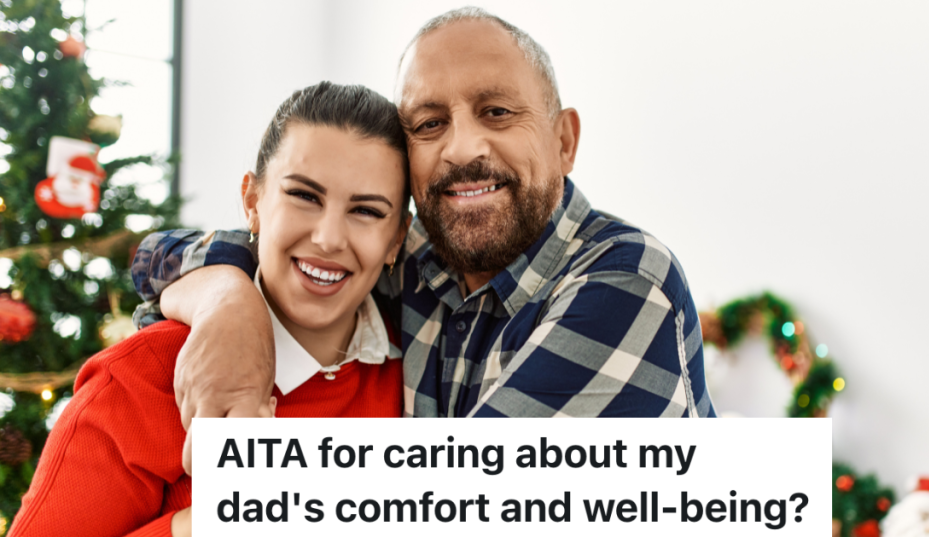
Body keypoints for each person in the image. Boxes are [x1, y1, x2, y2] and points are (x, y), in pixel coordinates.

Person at [132, 8, 715, 436]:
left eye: (496, 112)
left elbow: (439, 505)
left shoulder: (626, 281)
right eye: (430, 124)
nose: (462, 149)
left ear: (564, 141)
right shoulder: (413, 259)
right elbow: (154, 257)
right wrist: (227, 300)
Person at [9, 83, 408, 537]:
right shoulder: (143, 375)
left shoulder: (415, 374)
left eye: (367, 211)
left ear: (397, 239)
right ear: (253, 202)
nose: (329, 238)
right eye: (304, 196)